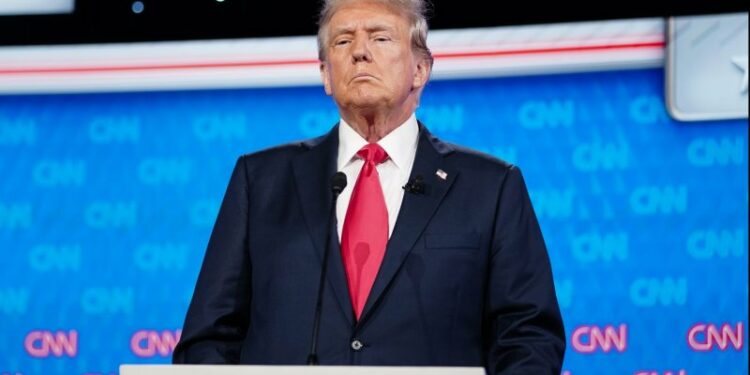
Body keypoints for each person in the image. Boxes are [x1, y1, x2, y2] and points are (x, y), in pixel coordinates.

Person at [173, 0, 566, 373]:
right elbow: (209, 339)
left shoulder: (491, 187)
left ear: (420, 69)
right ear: (326, 73)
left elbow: (528, 335)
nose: (360, 52)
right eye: (343, 41)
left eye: (380, 38)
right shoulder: (259, 181)